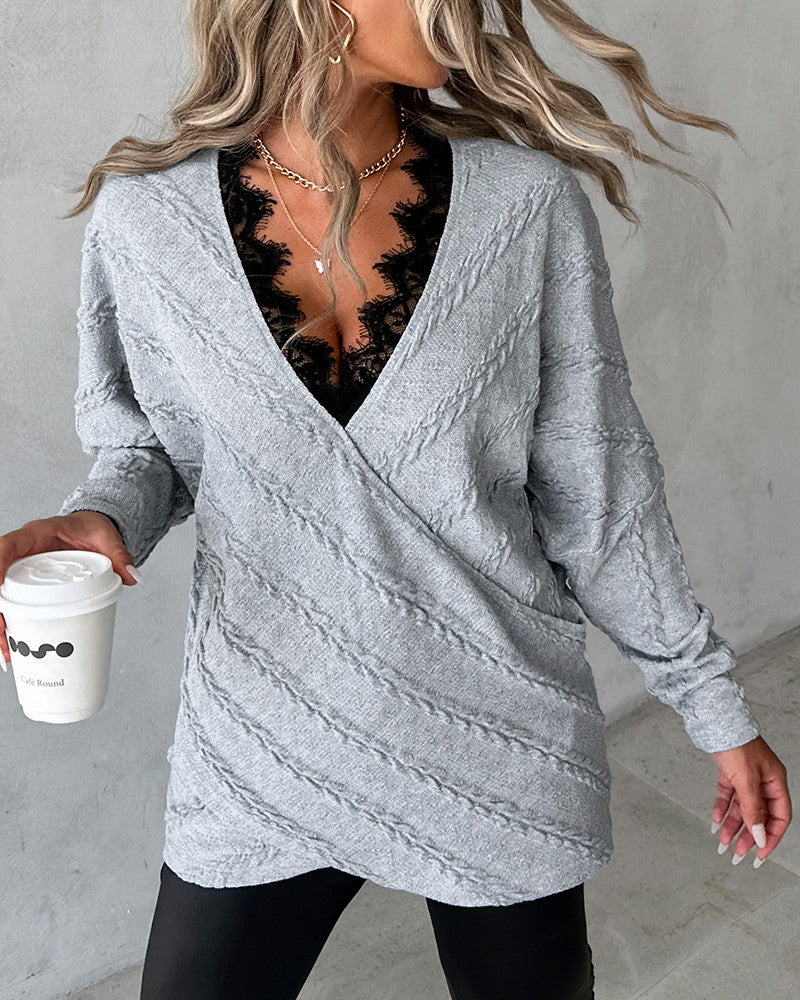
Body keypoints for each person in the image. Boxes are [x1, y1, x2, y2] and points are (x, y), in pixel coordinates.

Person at [0, 1, 791, 997]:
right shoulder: (148, 221)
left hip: (497, 740)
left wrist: (713, 707)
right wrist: (99, 519)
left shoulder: (525, 207)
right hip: (264, 742)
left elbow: (603, 499)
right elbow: (152, 449)